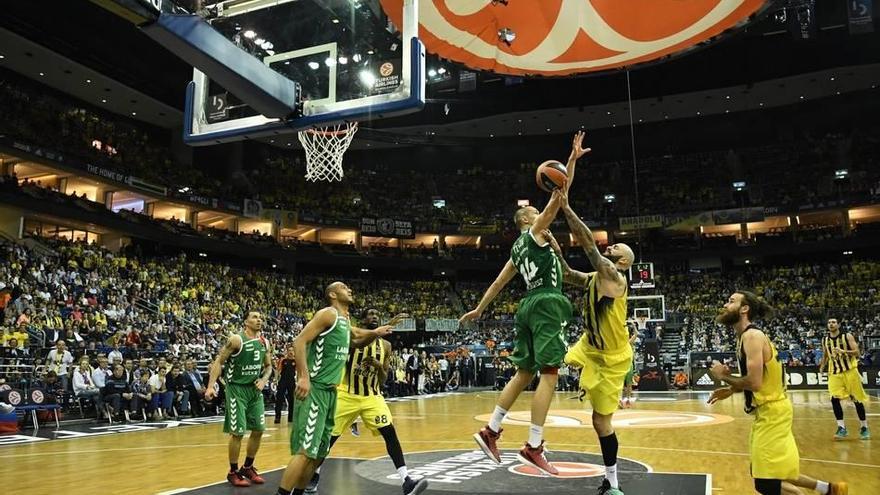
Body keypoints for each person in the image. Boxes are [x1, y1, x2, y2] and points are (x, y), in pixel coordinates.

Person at [463, 131, 588, 476]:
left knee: (524, 372)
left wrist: (479, 309)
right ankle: (534, 446)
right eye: (535, 212)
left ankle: (491, 430)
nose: (539, 212)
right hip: (547, 302)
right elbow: (560, 195)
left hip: (527, 305)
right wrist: (571, 161)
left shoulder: (516, 250)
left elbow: (498, 283)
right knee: (550, 373)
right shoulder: (534, 233)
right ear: (527, 221)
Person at [707, 291, 848, 495]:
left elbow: (754, 383)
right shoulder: (746, 336)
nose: (725, 305)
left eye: (731, 301)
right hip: (771, 411)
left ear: (744, 309)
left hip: (772, 413)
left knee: (765, 482)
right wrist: (731, 389)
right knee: (772, 471)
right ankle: (830, 489)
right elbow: (763, 379)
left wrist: (723, 376)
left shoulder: (752, 336)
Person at [544, 183, 635, 493]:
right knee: (551, 363)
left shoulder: (614, 277)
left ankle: (612, 482)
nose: (612, 246)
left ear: (623, 262)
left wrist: (566, 208)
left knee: (600, 422)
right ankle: (534, 438)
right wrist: (556, 250)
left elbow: (589, 247)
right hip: (589, 344)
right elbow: (570, 275)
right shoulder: (597, 277)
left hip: (612, 358)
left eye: (617, 247)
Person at [275, 282, 400, 495]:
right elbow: (299, 341)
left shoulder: (344, 320)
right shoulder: (328, 314)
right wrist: (303, 376)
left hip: (331, 393)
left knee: (317, 454)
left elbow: (356, 338)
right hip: (315, 389)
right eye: (343, 287)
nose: (349, 289)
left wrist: (377, 332)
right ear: (333, 294)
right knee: (306, 451)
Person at [305, 308, 427, 495]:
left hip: (372, 396)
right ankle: (314, 474)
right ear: (362, 320)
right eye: (370, 314)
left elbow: (383, 380)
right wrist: (388, 326)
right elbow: (356, 340)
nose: (375, 316)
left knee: (390, 433)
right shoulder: (354, 340)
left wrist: (379, 367)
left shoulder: (386, 346)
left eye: (377, 314)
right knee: (328, 438)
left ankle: (406, 481)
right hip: (347, 394)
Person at [205, 311, 274, 487]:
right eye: (254, 317)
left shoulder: (264, 342)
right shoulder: (236, 340)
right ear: (245, 322)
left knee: (258, 430)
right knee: (237, 433)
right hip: (236, 389)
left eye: (260, 318)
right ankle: (233, 471)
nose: (259, 320)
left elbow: (269, 367)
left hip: (254, 391)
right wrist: (211, 386)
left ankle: (248, 467)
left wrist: (264, 380)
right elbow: (219, 362)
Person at [819, 318, 870, 440]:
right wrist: (822, 366)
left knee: (856, 399)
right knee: (834, 399)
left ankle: (864, 427)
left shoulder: (847, 336)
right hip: (834, 372)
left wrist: (844, 351)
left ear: (838, 325)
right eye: (829, 322)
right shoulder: (825, 339)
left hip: (850, 371)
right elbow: (825, 354)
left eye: (833, 322)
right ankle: (841, 427)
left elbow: (857, 352)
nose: (831, 324)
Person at [275, 345, 296, 424]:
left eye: (292, 350)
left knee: (292, 399)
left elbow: (298, 371)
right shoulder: (283, 360)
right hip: (283, 380)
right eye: (289, 350)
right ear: (287, 351)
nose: (291, 352)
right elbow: (278, 370)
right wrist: (275, 379)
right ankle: (277, 417)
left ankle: (291, 417)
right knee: (279, 398)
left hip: (292, 381)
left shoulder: (296, 361)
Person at [620, 321, 639, 409]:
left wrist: (633, 325)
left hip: (629, 365)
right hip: (621, 365)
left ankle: (628, 399)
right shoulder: (620, 344)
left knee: (629, 384)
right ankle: (620, 400)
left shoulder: (629, 342)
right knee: (620, 385)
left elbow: (636, 334)